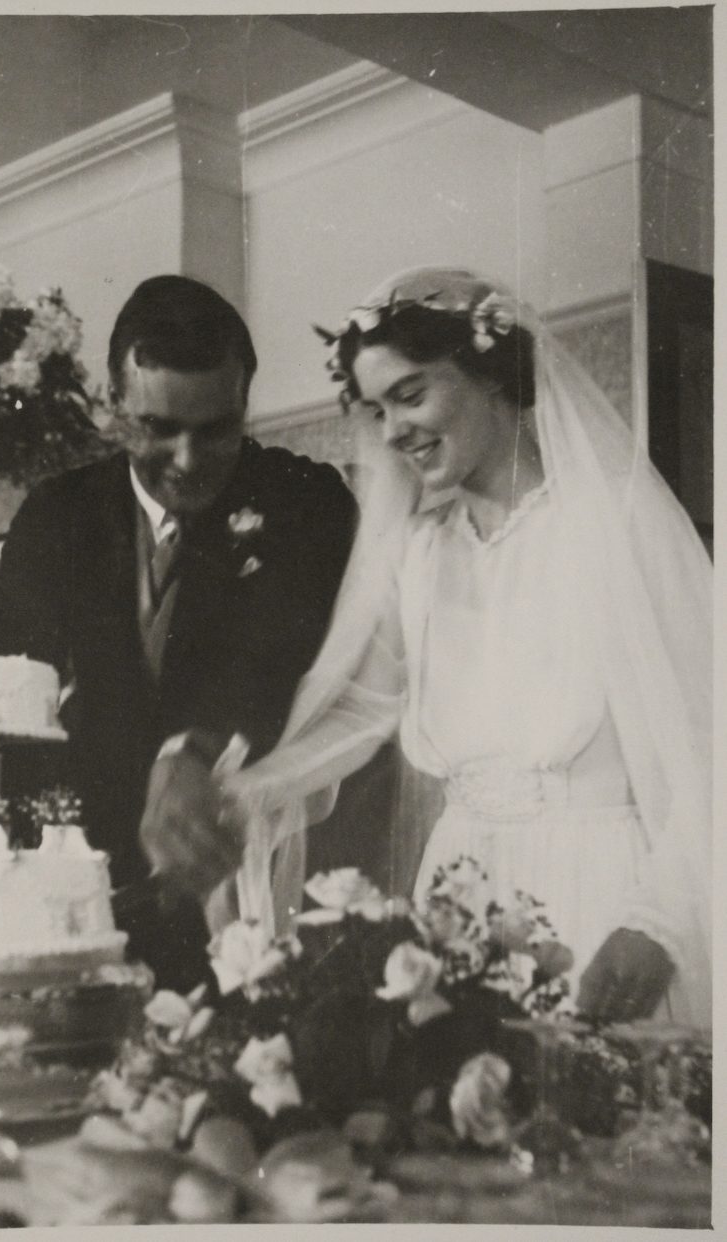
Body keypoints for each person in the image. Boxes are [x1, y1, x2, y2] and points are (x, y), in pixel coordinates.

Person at [143, 267, 712, 1027]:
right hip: (460, 897)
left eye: (411, 395)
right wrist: (250, 792)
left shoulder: (617, 519)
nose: (392, 432)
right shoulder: (419, 552)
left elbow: (714, 742)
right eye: (377, 409)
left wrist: (660, 921)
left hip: (603, 894)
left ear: (492, 376)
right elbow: (363, 711)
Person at [0, 274, 358, 989]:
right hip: (77, 914)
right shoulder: (56, 515)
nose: (188, 459)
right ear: (117, 407)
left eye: (216, 429)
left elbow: (273, 647)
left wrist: (195, 747)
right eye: (160, 429)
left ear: (245, 403)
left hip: (241, 905)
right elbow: (17, 694)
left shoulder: (303, 502)